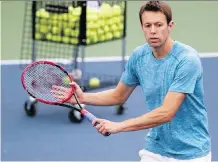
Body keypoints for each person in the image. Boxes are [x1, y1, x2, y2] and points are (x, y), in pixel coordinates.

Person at [52, 1, 211, 161]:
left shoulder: (187, 60)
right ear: (142, 28)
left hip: (192, 152)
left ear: (170, 26)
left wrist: (118, 126)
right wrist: (83, 98)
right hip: (156, 148)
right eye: (148, 25)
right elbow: (118, 96)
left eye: (159, 25)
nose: (153, 31)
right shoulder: (138, 57)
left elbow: (166, 113)